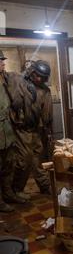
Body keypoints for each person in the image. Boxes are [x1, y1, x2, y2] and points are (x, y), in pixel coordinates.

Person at [11, 60, 53, 196]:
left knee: (38, 159)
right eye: (37, 75)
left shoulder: (45, 91)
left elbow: (47, 114)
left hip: (36, 129)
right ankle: (17, 190)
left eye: (42, 77)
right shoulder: (20, 84)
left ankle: (45, 186)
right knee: (24, 160)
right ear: (32, 73)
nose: (39, 79)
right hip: (21, 129)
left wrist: (47, 131)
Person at [0, 50, 26, 212]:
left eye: (2, 60)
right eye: (0, 61)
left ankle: (9, 194)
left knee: (9, 165)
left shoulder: (5, 78)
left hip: (7, 130)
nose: (3, 63)